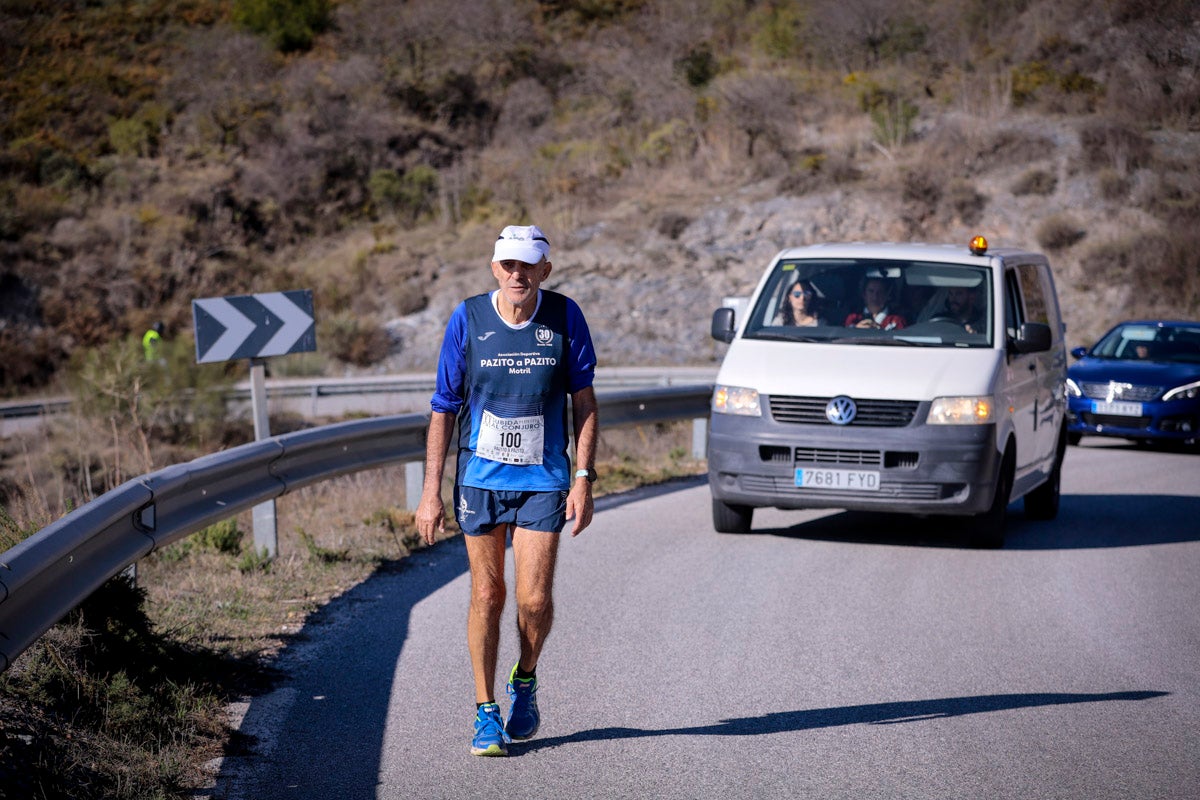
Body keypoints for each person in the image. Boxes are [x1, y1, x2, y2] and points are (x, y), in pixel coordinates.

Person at [416, 224, 599, 758]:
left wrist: (584, 478)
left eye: (528, 266)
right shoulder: (468, 318)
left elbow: (585, 404)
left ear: (545, 268)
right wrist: (430, 492)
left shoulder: (565, 317)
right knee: (486, 595)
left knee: (534, 600)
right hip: (480, 478)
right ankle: (485, 711)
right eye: (507, 265)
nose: (517, 274)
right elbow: (443, 407)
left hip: (544, 478)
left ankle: (526, 679)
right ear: (495, 268)